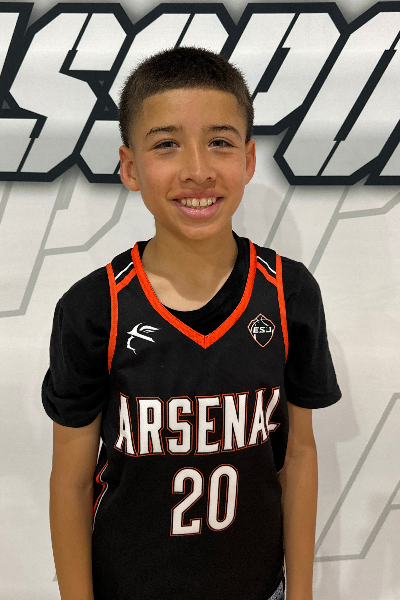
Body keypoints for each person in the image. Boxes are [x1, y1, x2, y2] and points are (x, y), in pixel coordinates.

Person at [42, 47, 341, 600]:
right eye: (166, 144)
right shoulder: (94, 308)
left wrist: (301, 593)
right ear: (130, 167)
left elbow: (298, 455)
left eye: (220, 142)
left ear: (248, 159)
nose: (198, 169)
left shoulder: (288, 292)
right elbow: (71, 481)